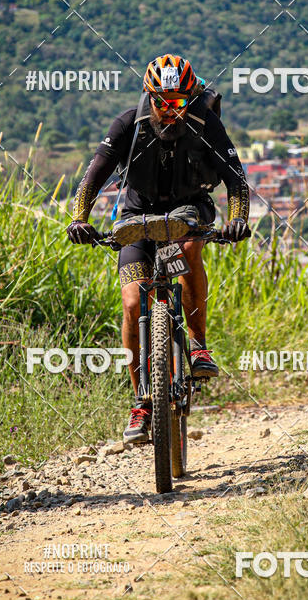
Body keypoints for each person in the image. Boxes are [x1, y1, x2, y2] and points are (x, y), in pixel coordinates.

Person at [66, 54, 250, 444]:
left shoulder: (205, 122)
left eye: (180, 102)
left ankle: (198, 347)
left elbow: (236, 177)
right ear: (149, 95)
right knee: (133, 303)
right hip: (137, 213)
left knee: (188, 248)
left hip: (190, 207)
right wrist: (80, 218)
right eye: (162, 101)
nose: (171, 111)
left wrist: (237, 218)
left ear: (191, 97)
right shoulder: (127, 123)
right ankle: (141, 400)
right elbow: (94, 174)